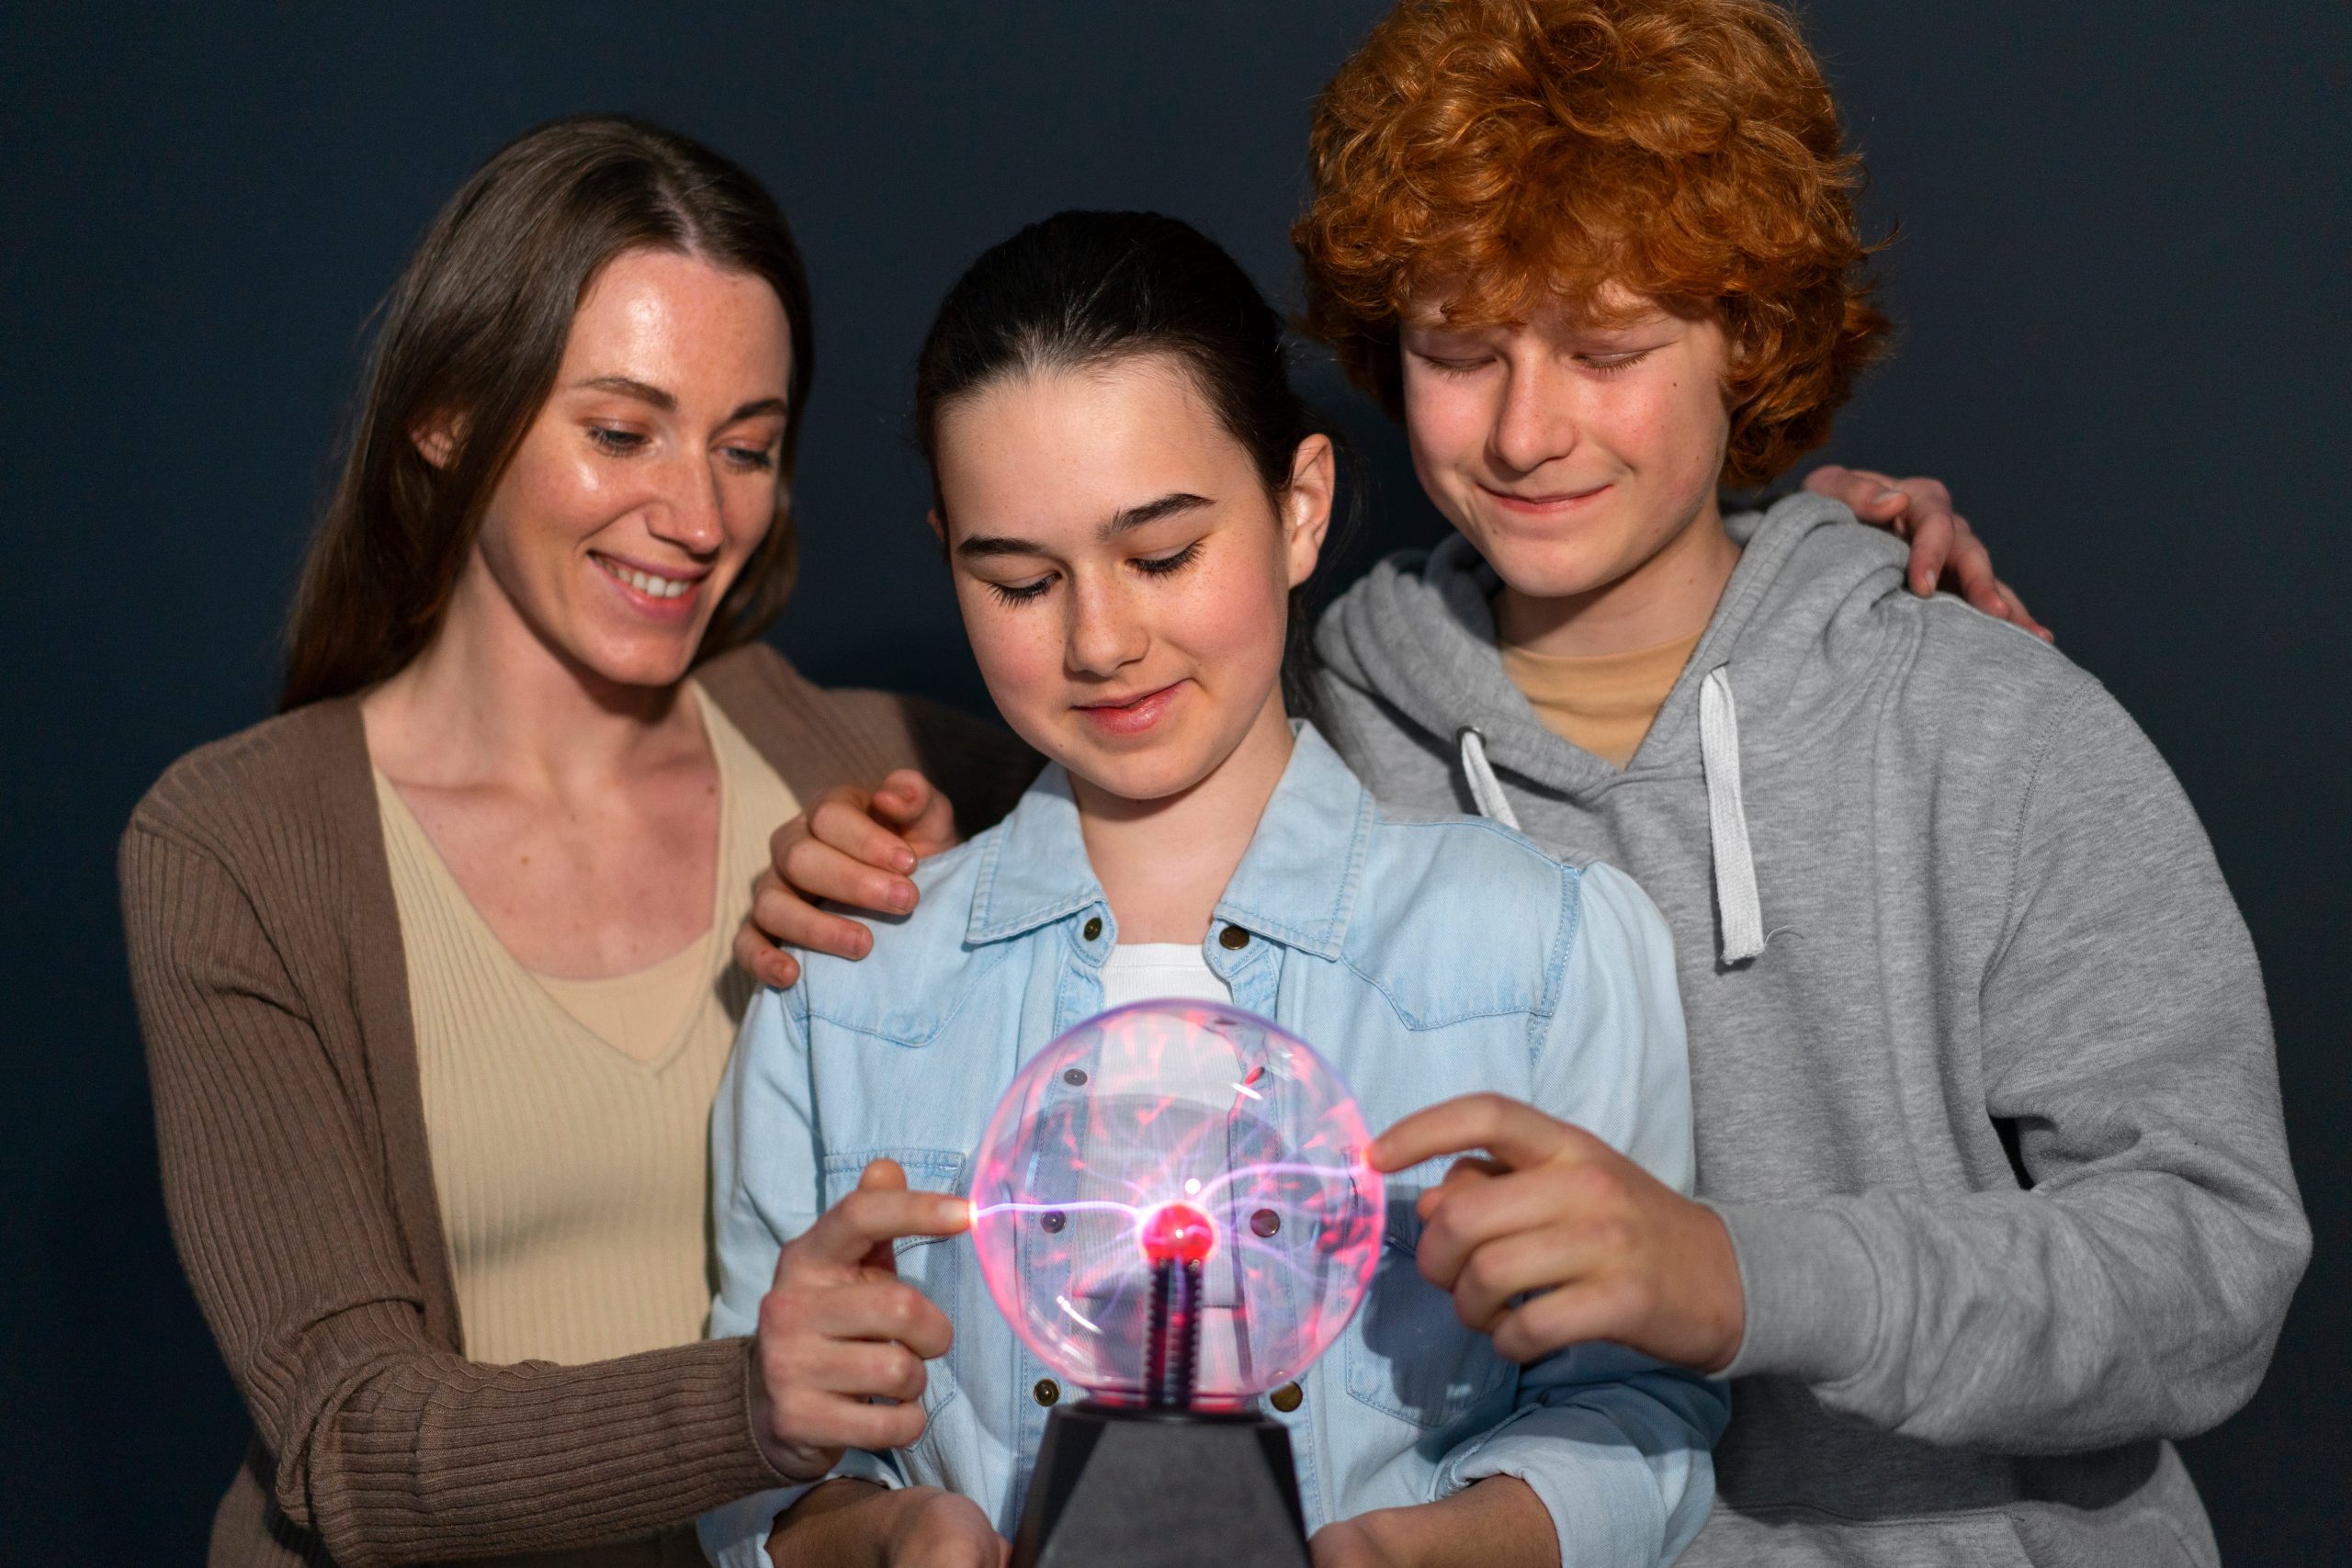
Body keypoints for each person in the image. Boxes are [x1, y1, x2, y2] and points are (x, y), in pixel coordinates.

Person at [741, 3, 2310, 1564]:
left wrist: (1741, 1279)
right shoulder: (1346, 700)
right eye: (1458, 352)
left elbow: (2216, 1263)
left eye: (1608, 351)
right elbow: (1117, 763)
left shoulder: (1981, 719)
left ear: (1749, 340)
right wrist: (874, 823)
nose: (1525, 431)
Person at [699, 210, 1724, 1568]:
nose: (1102, 641)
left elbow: (1638, 1416)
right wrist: (889, 1535)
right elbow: (750, 1469)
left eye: (1164, 555)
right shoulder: (843, 986)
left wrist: (1430, 1551)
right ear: (948, 554)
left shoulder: (1542, 950)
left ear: (1300, 507)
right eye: (1020, 581)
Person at [118, 116, 1029, 1568]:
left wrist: (1004, 876)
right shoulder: (238, 847)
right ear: (446, 415)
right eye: (620, 432)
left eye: (748, 448)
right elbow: (346, 1441)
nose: (698, 515)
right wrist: (749, 1403)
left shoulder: (899, 780)